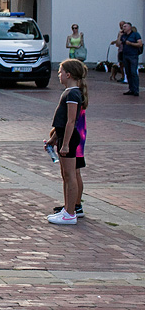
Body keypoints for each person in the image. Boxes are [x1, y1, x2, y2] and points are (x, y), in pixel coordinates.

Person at [45, 59, 89, 225]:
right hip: (64, 136)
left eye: (60, 72)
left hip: (69, 139)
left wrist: (65, 144)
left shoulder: (73, 94)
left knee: (70, 175)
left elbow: (71, 121)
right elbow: (62, 123)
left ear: (68, 74)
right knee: (65, 175)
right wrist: (54, 138)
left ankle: (71, 213)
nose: (59, 75)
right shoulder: (69, 92)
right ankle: (67, 209)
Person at [120, 21, 141, 96]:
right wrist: (119, 35)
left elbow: (140, 44)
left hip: (133, 56)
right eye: (123, 27)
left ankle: (136, 90)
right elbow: (118, 44)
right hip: (125, 55)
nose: (123, 28)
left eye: (125, 26)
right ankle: (131, 89)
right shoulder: (123, 36)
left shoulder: (135, 35)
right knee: (128, 73)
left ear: (129, 27)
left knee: (133, 72)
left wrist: (131, 43)